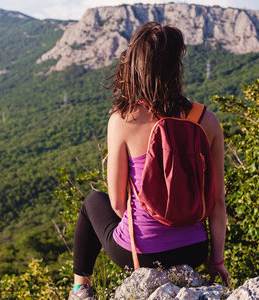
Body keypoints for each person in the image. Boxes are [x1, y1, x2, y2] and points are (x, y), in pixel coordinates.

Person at [68, 22, 229, 300]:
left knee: (93, 201)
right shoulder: (207, 121)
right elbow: (216, 202)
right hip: (194, 251)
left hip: (139, 253)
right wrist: (217, 261)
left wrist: (153, 223)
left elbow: (118, 204)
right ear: (176, 68)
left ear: (137, 67)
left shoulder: (123, 120)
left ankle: (80, 290)